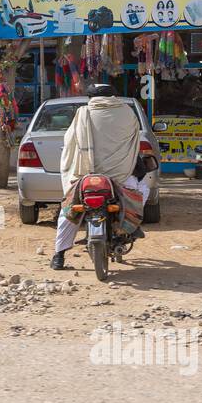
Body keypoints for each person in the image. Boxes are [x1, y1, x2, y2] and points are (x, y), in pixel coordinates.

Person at [51, 84, 149, 271]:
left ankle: (59, 256)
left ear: (91, 98)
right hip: (121, 175)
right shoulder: (128, 113)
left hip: (86, 175)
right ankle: (132, 226)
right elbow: (133, 141)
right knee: (142, 190)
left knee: (69, 209)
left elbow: (70, 141)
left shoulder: (82, 113)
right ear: (114, 96)